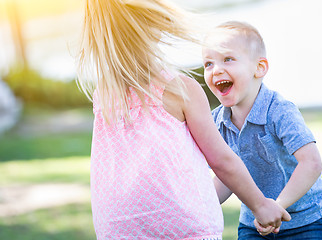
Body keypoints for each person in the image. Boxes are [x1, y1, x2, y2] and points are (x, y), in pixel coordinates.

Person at [76, 1, 290, 239]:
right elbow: (221, 160)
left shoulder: (104, 96)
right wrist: (260, 205)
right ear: (156, 23)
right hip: (184, 228)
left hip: (117, 229)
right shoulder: (179, 90)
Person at [202, 21, 322, 239]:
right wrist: (198, 204)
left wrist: (275, 207)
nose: (216, 69)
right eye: (208, 64)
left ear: (259, 68)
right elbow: (227, 176)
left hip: (305, 220)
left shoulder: (279, 111)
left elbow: (311, 163)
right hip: (254, 223)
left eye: (228, 59)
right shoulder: (217, 122)